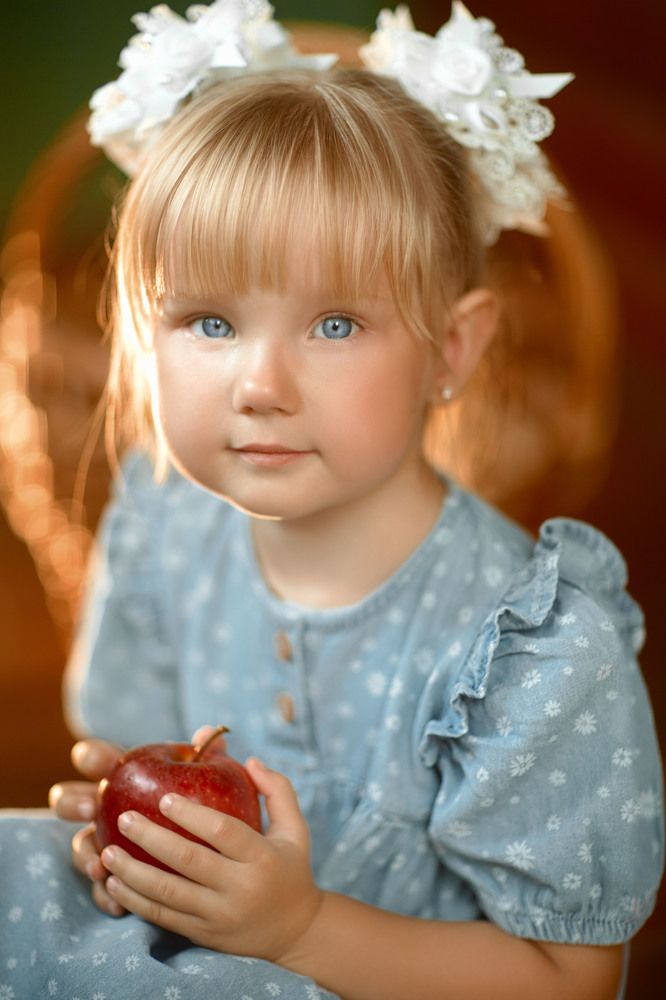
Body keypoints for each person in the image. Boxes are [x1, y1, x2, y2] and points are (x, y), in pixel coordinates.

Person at [1, 3, 662, 998]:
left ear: (451, 350)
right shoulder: (166, 518)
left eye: (337, 323)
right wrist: (137, 847)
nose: (260, 383)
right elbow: (145, 758)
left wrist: (299, 926)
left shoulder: (530, 648)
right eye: (210, 320)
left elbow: (571, 977)